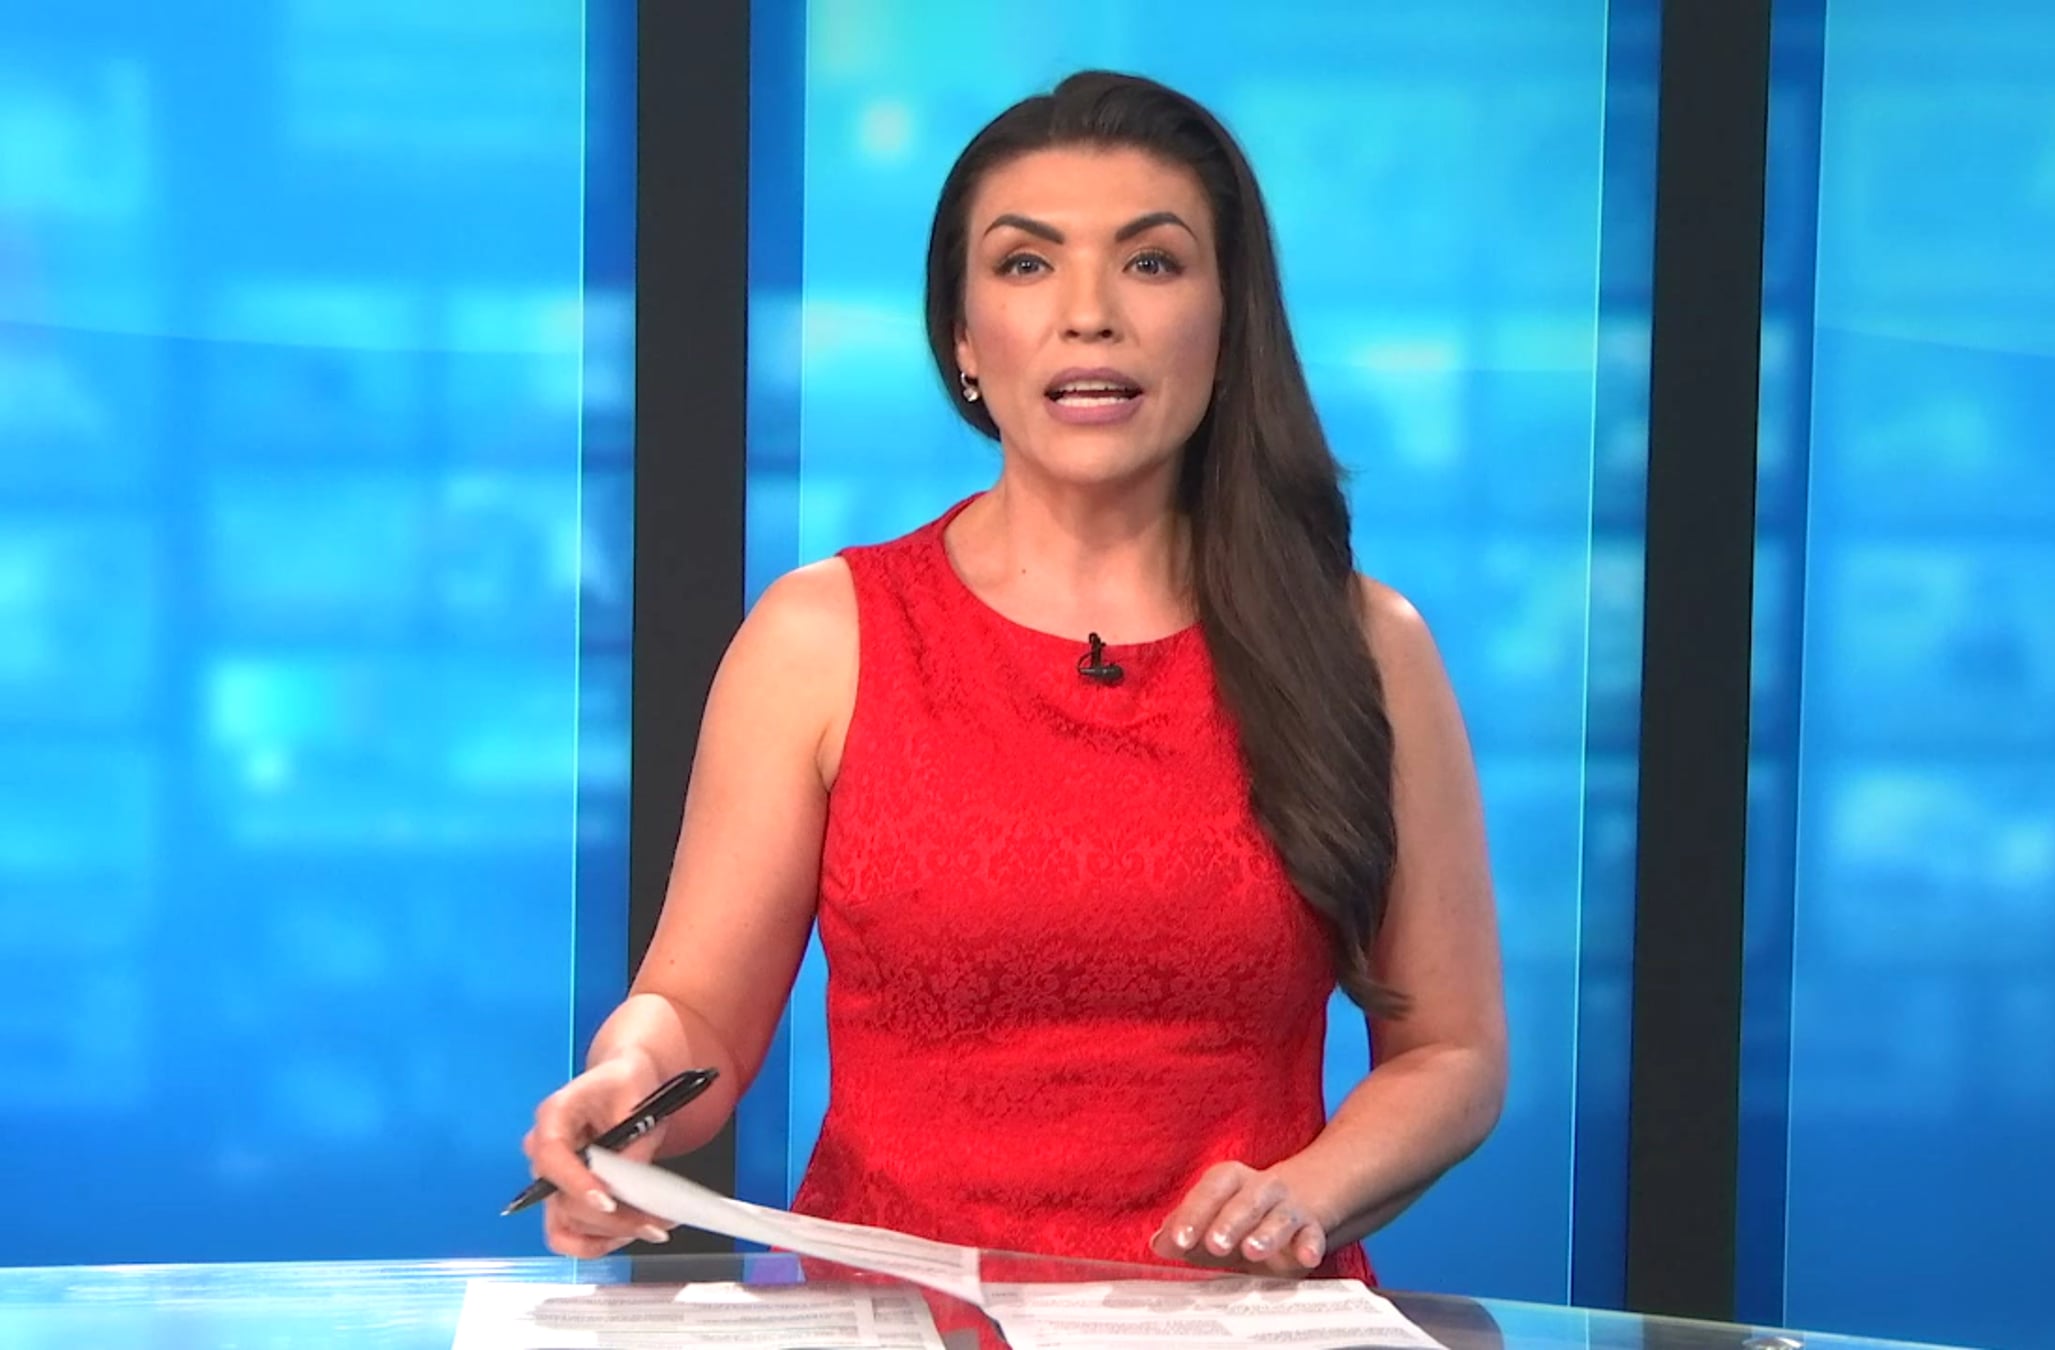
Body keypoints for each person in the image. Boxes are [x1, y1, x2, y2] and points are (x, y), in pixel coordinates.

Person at [522, 69, 1506, 1283]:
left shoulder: (1364, 645)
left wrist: (1303, 1195)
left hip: (1232, 1321)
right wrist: (628, 1085)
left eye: (1151, 263)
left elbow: (1451, 1053)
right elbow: (699, 1016)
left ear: (1228, 326)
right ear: (961, 339)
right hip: (901, 1321)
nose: (1089, 314)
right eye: (1027, 264)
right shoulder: (823, 635)